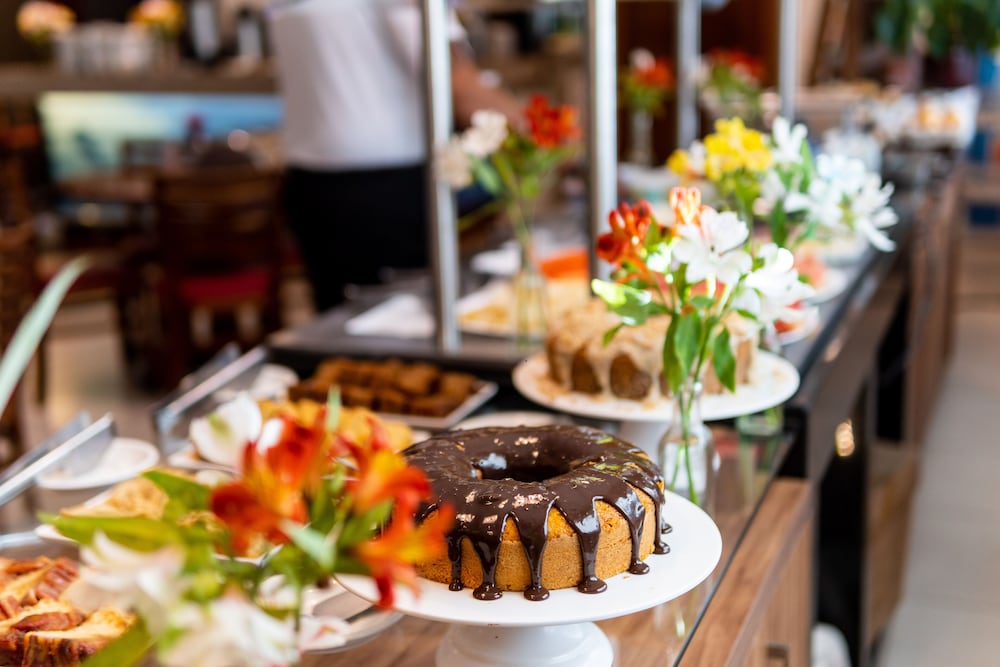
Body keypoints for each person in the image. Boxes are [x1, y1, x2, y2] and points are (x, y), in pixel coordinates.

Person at [268, 0, 522, 313]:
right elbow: (462, 91)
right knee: (403, 319)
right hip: (386, 193)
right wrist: (544, 130)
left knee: (341, 317)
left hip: (311, 185)